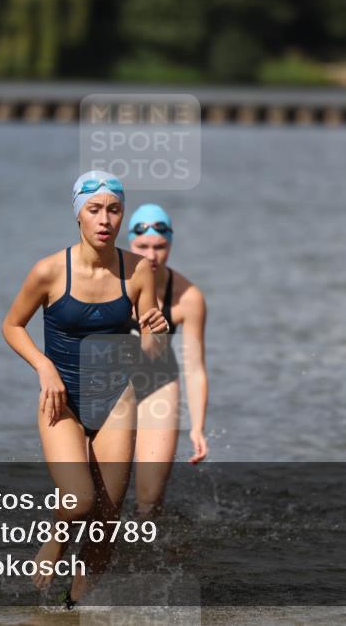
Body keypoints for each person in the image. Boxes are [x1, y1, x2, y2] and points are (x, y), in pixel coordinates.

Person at [2, 171, 170, 608]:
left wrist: (155, 329)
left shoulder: (137, 270)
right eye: (94, 209)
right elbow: (12, 325)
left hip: (116, 399)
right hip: (62, 401)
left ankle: (69, 609)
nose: (105, 219)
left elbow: (148, 336)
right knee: (78, 502)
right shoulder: (49, 271)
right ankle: (56, 541)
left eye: (113, 210)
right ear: (78, 214)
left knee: (107, 521)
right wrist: (43, 367)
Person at [122, 204, 209, 518]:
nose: (151, 256)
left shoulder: (188, 297)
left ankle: (148, 560)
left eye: (159, 247)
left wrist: (197, 427)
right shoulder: (109, 282)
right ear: (129, 243)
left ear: (170, 244)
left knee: (150, 498)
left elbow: (195, 367)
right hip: (110, 385)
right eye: (141, 246)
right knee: (99, 492)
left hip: (158, 384)